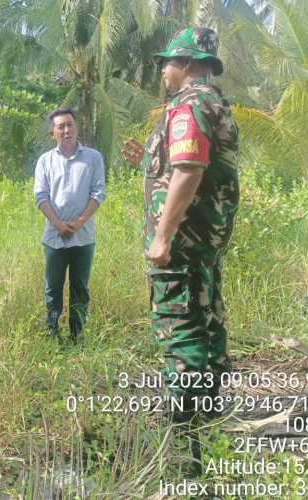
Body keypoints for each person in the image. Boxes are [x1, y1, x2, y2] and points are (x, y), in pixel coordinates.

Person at [122, 26, 239, 470]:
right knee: (206, 323)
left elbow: (189, 171)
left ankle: (184, 447)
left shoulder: (189, 106)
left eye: (166, 63)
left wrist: (162, 236)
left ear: (187, 64)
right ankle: (208, 426)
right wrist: (148, 161)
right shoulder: (214, 105)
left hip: (182, 246)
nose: (163, 71)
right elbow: (187, 167)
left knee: (181, 329)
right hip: (203, 244)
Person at [33, 108, 106, 342]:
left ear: (76, 127)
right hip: (54, 237)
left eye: (70, 125)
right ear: (52, 132)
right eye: (61, 127)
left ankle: (78, 335)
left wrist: (79, 222)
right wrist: (58, 225)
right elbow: (41, 196)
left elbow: (98, 192)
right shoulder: (45, 160)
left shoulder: (93, 157)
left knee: (80, 289)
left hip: (83, 236)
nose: (66, 130)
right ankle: (52, 333)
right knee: (52, 288)